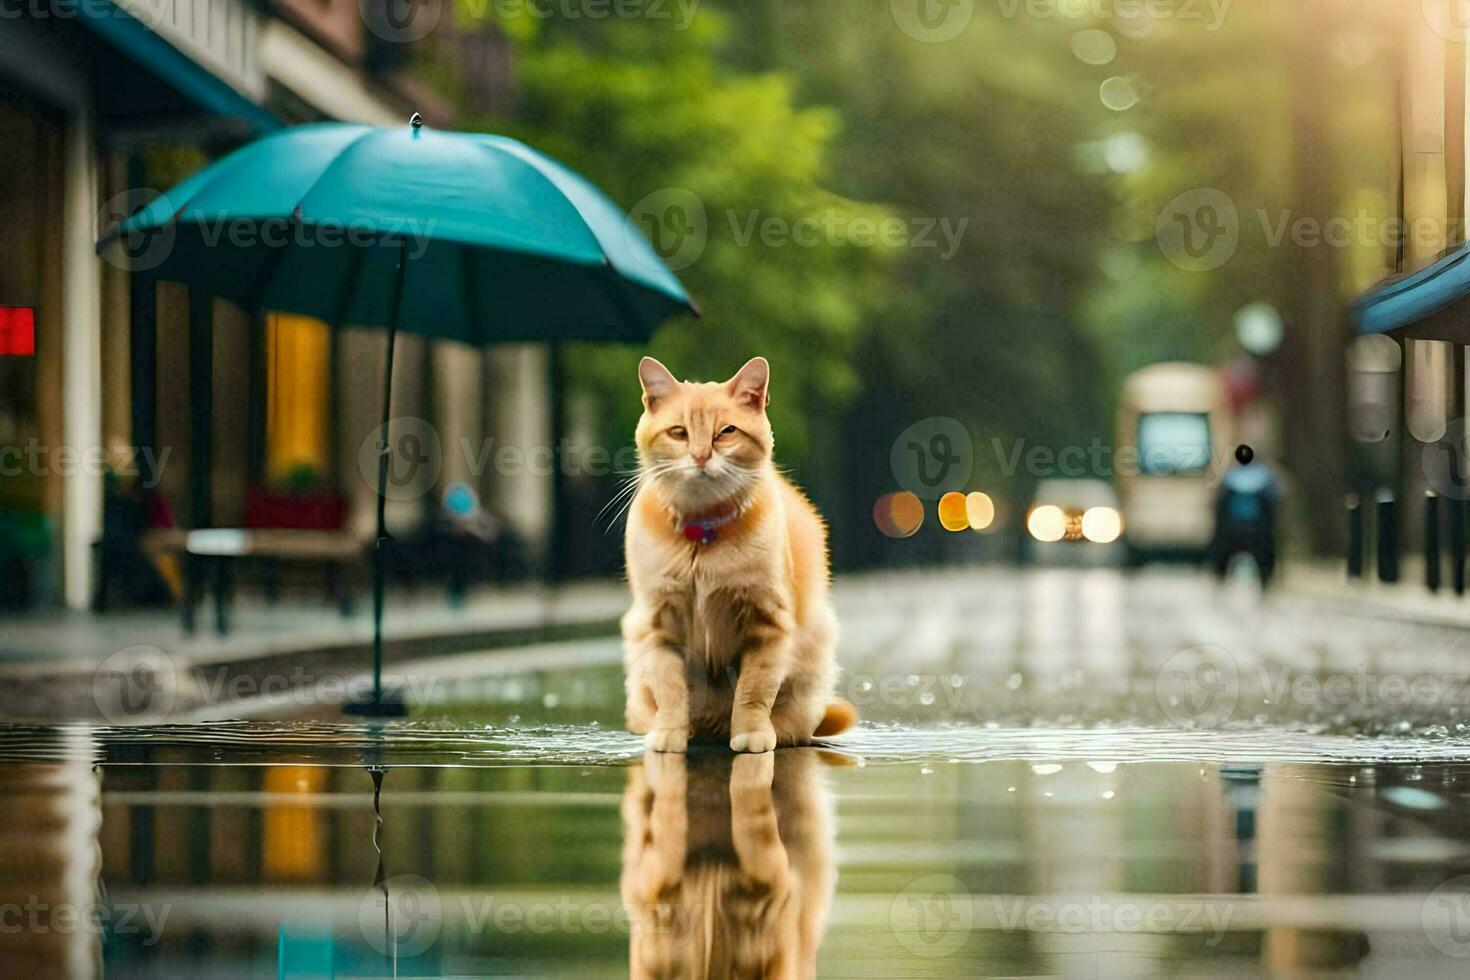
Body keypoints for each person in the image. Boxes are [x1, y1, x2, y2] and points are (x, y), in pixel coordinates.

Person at [1211, 444, 1280, 585]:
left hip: (1232, 531)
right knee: (1265, 558)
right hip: (1258, 531)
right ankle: (1266, 581)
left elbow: (1219, 506)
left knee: (1223, 555)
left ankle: (1220, 577)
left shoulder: (1229, 478)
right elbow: (1273, 504)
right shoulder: (1265, 478)